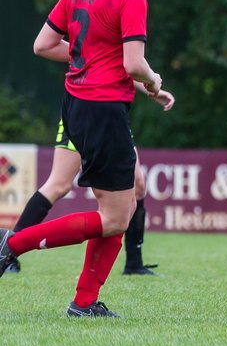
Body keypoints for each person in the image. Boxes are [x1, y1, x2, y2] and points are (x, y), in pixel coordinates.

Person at [0, 0, 166, 318]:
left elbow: (42, 45)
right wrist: (155, 82)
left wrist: (86, 59)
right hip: (104, 109)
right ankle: (12, 244)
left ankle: (85, 302)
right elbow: (132, 63)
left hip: (75, 104)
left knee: (118, 211)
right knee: (114, 216)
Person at [4, 84, 173, 277]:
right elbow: (131, 64)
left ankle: (134, 263)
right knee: (58, 184)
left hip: (112, 112)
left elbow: (125, 65)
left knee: (139, 185)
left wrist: (151, 88)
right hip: (86, 107)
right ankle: (8, 250)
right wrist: (153, 86)